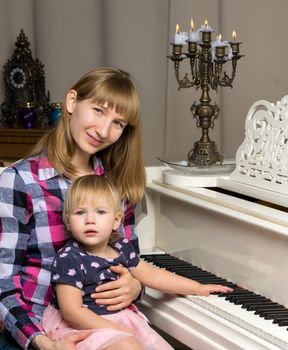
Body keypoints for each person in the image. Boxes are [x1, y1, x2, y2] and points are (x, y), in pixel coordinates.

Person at [0, 67, 147, 349]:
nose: (103, 131)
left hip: (106, 327)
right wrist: (43, 342)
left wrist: (136, 288)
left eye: (118, 123)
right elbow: (3, 284)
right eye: (98, 110)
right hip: (37, 332)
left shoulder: (117, 187)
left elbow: (132, 263)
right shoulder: (20, 181)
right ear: (71, 102)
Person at [43, 175, 232, 350]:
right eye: (80, 212)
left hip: (116, 319)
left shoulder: (120, 247)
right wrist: (117, 330)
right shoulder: (69, 258)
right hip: (81, 325)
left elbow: (152, 275)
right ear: (68, 221)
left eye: (100, 212)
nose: (90, 220)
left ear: (116, 221)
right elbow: (71, 312)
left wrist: (197, 288)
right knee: (128, 346)